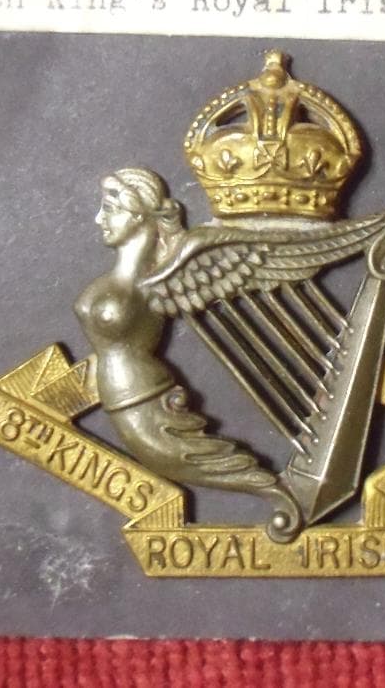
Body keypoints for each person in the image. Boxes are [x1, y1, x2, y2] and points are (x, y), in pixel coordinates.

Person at [74, 168, 301, 543]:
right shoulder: (124, 280)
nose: (99, 218)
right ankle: (278, 495)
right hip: (121, 398)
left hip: (143, 401)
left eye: (110, 208)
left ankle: (279, 496)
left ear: (138, 214)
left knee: (203, 463)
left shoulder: (165, 276)